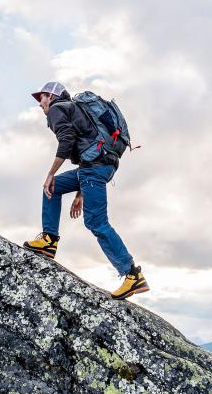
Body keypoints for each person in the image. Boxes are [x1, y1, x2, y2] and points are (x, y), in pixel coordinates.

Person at [22, 81, 149, 300]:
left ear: (51, 96)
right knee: (54, 188)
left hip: (94, 170)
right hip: (99, 167)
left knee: (96, 222)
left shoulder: (57, 109)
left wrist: (50, 173)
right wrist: (80, 192)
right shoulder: (74, 109)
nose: (39, 103)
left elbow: (67, 140)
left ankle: (131, 274)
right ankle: (49, 240)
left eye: (41, 97)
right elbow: (86, 149)